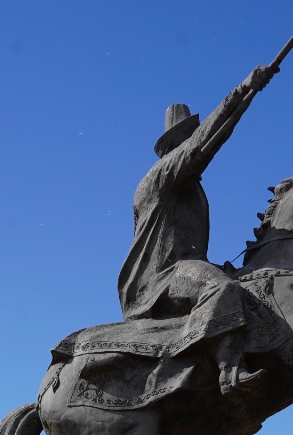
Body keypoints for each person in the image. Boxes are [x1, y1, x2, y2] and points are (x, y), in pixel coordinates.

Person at [118, 64, 277, 395]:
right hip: (163, 277)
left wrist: (248, 96)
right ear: (177, 142)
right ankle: (229, 371)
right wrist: (243, 90)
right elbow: (210, 139)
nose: (196, 137)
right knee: (222, 288)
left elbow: (211, 138)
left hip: (176, 270)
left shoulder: (177, 180)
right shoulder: (165, 174)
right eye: (191, 133)